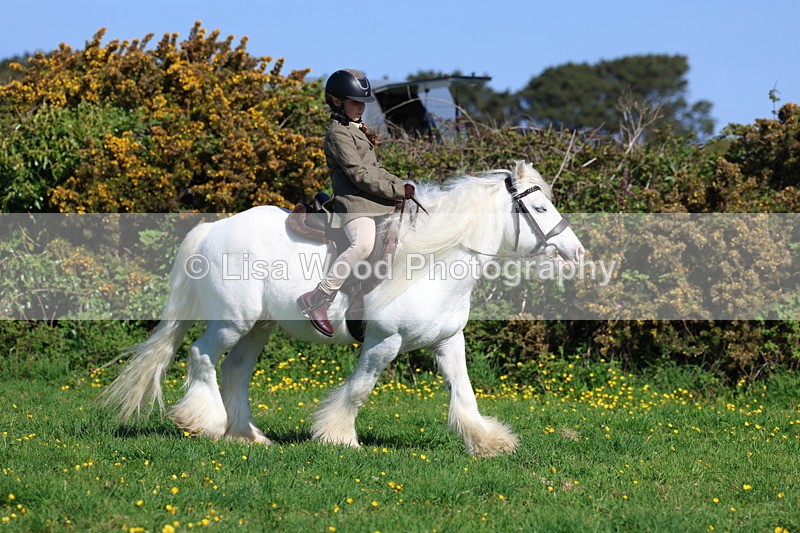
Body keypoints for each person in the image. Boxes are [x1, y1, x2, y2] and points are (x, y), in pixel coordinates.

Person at [298, 69, 415, 337]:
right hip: (353, 205)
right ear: (337, 102)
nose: (360, 108)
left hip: (373, 201)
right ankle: (319, 297)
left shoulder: (356, 129)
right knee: (362, 244)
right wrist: (397, 189)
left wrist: (405, 185)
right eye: (355, 103)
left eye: (362, 103)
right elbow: (359, 175)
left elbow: (375, 169)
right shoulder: (337, 133)